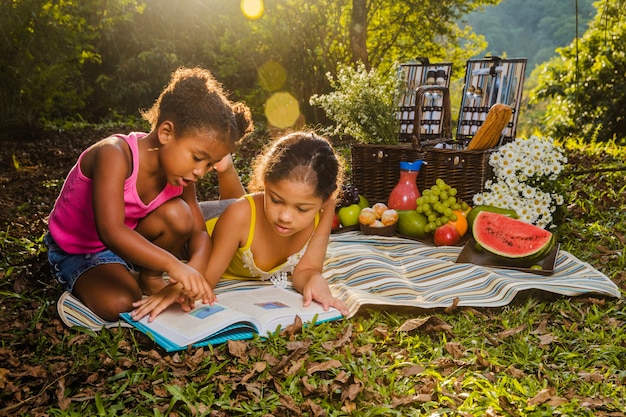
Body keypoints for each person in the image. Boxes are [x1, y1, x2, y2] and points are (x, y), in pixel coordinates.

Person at [45, 66, 254, 322]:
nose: (201, 171)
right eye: (198, 157)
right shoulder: (115, 154)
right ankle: (120, 275)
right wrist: (174, 265)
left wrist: (193, 271)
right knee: (121, 304)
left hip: (126, 245)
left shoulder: (182, 175)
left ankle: (148, 275)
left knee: (180, 215)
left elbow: (198, 232)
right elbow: (110, 230)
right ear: (166, 132)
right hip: (77, 249)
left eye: (210, 164)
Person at [131, 131, 350, 321]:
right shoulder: (240, 214)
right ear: (265, 183)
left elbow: (307, 269)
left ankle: (227, 169)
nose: (285, 216)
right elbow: (207, 277)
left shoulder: (323, 211)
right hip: (203, 229)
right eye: (275, 199)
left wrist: (315, 279)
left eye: (301, 209)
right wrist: (178, 289)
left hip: (240, 219)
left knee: (239, 207)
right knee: (200, 213)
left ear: (325, 201)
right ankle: (226, 169)